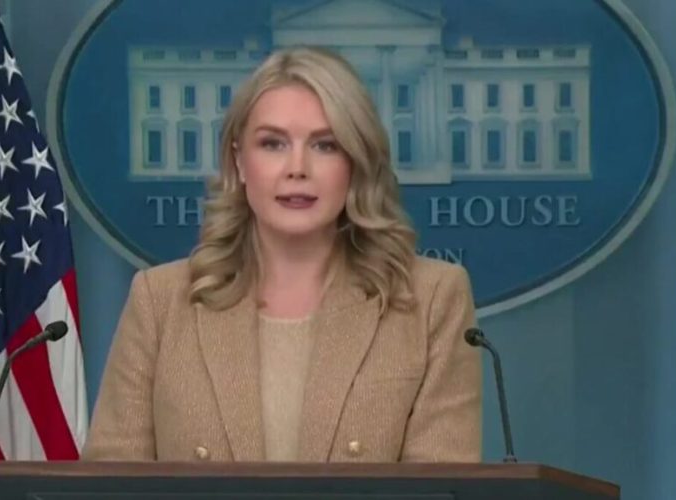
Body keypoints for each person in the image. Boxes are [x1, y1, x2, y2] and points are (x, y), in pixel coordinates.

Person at [82, 47, 481, 462]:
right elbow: (113, 479)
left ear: (356, 163)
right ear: (239, 161)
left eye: (325, 145)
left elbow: (441, 484)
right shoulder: (160, 301)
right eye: (272, 144)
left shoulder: (432, 299)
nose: (297, 168)